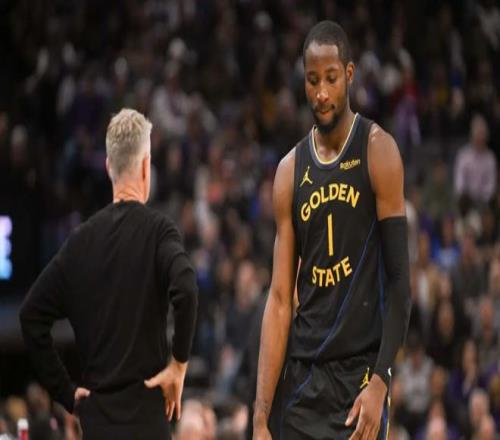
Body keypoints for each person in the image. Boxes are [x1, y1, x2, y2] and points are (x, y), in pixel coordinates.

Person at [253, 21, 411, 439]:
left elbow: (400, 282)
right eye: (312, 80)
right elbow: (280, 299)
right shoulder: (289, 172)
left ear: (350, 75)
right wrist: (260, 416)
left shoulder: (378, 150)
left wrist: (380, 381)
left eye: (331, 78)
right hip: (302, 381)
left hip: (360, 382)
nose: (321, 93)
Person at [19, 108, 198, 439]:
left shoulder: (79, 243)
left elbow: (30, 316)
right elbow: (186, 288)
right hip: (148, 423)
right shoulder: (159, 231)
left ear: (108, 167)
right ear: (145, 166)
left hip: (98, 424)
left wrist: (65, 392)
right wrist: (178, 365)